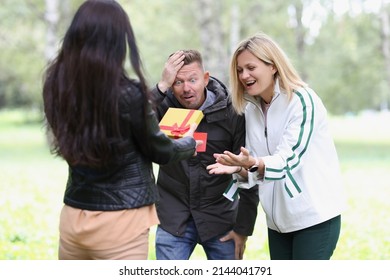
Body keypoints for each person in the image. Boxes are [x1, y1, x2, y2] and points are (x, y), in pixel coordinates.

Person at [42, 0, 201, 260]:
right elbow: (160, 150)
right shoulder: (127, 94)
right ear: (117, 41)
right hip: (121, 223)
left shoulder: (57, 86)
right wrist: (189, 143)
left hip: (73, 217)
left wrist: (161, 87)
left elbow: (120, 111)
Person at [207, 33, 346, 260]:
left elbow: (288, 160)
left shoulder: (302, 100)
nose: (244, 75)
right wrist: (239, 168)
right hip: (277, 223)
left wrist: (251, 163)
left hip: (314, 218)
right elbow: (256, 166)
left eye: (251, 67)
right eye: (240, 70)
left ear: (272, 66)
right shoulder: (251, 110)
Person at [151, 50, 259, 260]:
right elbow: (129, 124)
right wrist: (161, 86)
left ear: (206, 79)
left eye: (193, 79)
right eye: (178, 82)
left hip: (221, 219)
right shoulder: (161, 107)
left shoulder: (232, 112)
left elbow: (249, 169)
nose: (186, 88)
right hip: (174, 218)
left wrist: (243, 229)